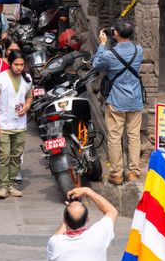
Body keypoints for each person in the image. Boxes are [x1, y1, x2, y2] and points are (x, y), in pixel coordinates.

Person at [92, 19, 143, 185]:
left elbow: (96, 65)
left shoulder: (109, 54)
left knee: (115, 137)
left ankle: (116, 174)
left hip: (116, 100)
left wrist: (102, 44)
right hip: (135, 99)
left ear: (115, 33)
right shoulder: (139, 50)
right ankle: (134, 173)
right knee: (134, 136)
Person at [0, 51, 31, 199]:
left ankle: (11, 184)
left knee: (16, 155)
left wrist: (27, 107)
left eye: (22, 65)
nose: (19, 68)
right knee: (4, 155)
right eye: (16, 64)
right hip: (2, 122)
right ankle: (2, 186)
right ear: (10, 63)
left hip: (19, 123)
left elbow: (29, 96)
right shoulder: (0, 79)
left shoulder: (27, 79)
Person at [45, 186, 117, 261]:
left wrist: (70, 210)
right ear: (88, 220)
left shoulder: (55, 244)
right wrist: (87, 191)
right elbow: (112, 211)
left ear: (65, 221)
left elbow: (57, 235)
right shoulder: (97, 236)